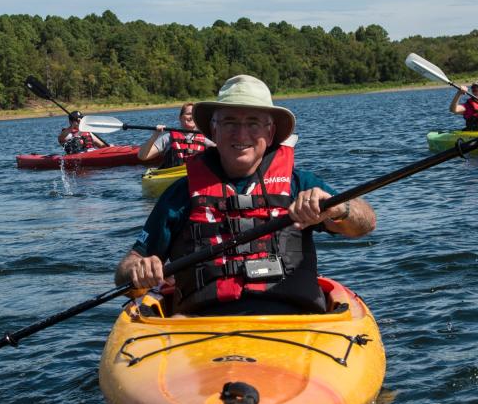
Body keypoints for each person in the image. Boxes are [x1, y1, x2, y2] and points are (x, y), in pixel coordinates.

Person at [114, 75, 375, 316]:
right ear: (214, 131)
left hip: (294, 322)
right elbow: (127, 272)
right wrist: (137, 270)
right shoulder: (181, 194)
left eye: (253, 123)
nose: (241, 134)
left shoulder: (299, 184)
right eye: (229, 122)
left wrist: (340, 210)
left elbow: (365, 224)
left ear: (270, 133)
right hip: (199, 327)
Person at [137, 102, 214, 167]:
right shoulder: (168, 137)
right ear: (180, 118)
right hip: (173, 174)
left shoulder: (205, 138)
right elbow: (142, 156)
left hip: (196, 174)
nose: (191, 117)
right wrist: (155, 135)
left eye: (194, 115)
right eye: (188, 114)